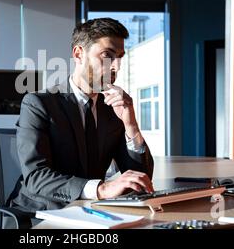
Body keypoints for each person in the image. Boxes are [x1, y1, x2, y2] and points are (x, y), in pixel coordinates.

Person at [10, 18, 154, 214]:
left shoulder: (112, 109)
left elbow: (142, 179)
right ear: (79, 54)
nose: (116, 67)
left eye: (120, 57)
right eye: (107, 55)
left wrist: (131, 126)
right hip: (41, 213)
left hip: (91, 212)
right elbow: (36, 177)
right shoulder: (39, 104)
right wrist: (101, 189)